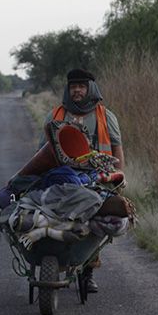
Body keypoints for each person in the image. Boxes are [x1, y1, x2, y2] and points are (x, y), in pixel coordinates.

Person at [27, 68, 125, 293]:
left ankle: (88, 271)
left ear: (90, 88)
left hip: (98, 178)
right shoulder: (56, 115)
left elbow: (118, 149)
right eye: (73, 87)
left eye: (81, 86)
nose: (77, 90)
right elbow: (42, 151)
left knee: (94, 223)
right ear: (67, 90)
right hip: (62, 179)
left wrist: (119, 177)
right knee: (57, 216)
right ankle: (55, 255)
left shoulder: (105, 116)